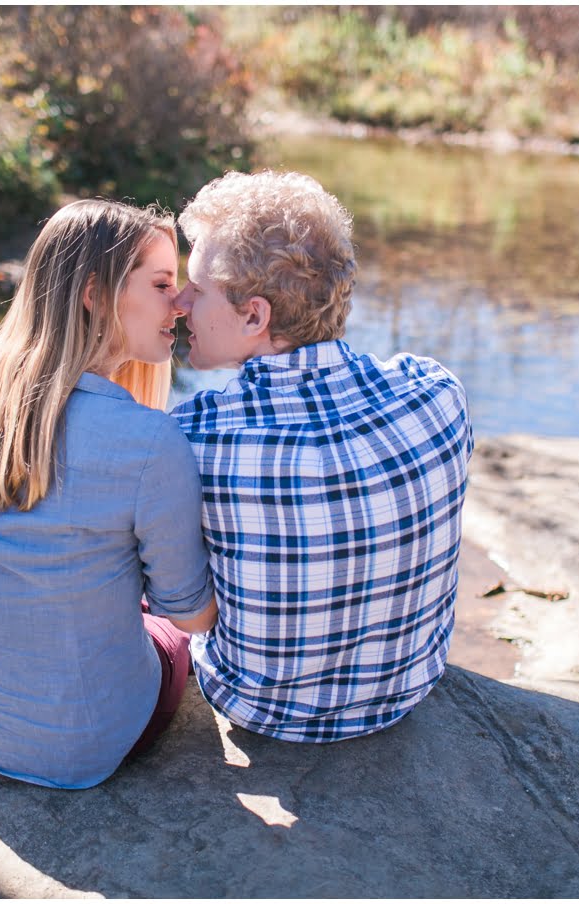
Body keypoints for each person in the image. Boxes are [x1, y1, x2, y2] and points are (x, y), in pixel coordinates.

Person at [0, 199, 217, 789]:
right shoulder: (150, 440)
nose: (180, 304)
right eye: (161, 284)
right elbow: (193, 614)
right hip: (81, 742)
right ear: (93, 293)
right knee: (171, 630)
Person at [170, 170, 472, 743]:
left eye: (197, 288)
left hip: (259, 704)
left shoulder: (193, 437)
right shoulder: (437, 393)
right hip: (406, 688)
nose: (181, 304)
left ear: (255, 317)